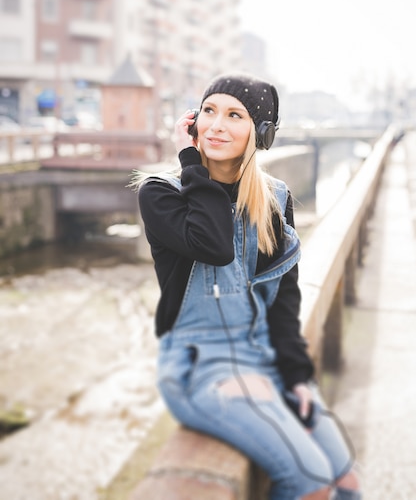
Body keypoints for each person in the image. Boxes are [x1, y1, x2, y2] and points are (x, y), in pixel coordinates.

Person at [137, 72, 361, 500]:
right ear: (192, 121)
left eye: (233, 115)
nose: (216, 125)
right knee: (311, 483)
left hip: (264, 357)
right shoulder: (161, 194)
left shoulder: (274, 199)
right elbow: (214, 246)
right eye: (208, 111)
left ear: (260, 134)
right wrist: (191, 161)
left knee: (347, 484)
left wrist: (295, 376)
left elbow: (283, 297)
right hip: (199, 365)